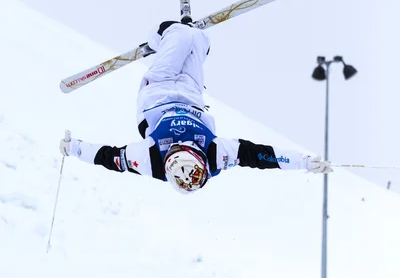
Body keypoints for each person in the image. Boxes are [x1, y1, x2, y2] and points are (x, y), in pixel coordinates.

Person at [60, 20, 332, 194]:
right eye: (187, 150)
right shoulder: (216, 155)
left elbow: (109, 157)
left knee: (179, 35)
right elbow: (261, 156)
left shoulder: (149, 160)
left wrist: (74, 148)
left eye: (177, 151)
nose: (181, 146)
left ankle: (160, 37)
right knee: (200, 40)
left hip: (158, 90)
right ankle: (189, 35)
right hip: (191, 93)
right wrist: (304, 162)